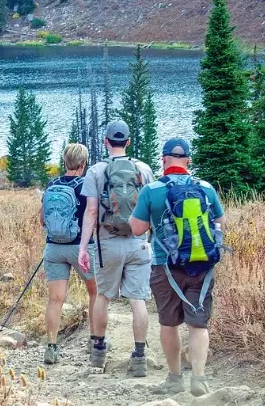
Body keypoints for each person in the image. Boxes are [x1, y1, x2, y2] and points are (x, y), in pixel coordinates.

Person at [129, 138, 226, 397]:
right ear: (188, 161)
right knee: (198, 323)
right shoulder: (206, 188)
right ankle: (199, 378)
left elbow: (137, 229)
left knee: (169, 323)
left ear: (163, 160)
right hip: (201, 265)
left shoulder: (151, 190)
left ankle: (174, 379)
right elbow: (220, 222)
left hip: (165, 266)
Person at [78, 120, 155, 375]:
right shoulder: (143, 169)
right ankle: (140, 356)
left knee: (103, 296)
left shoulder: (96, 171)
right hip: (138, 241)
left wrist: (83, 247)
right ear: (128, 141)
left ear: (106, 142)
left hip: (107, 241)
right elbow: (151, 207)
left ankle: (98, 353)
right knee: (137, 299)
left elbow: (91, 211)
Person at [40, 143, 98, 365]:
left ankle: (51, 347)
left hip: (54, 248)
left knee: (55, 299)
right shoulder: (86, 186)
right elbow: (93, 216)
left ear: (65, 162)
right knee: (95, 293)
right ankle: (95, 340)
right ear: (83, 164)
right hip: (81, 247)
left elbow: (42, 219)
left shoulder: (52, 185)